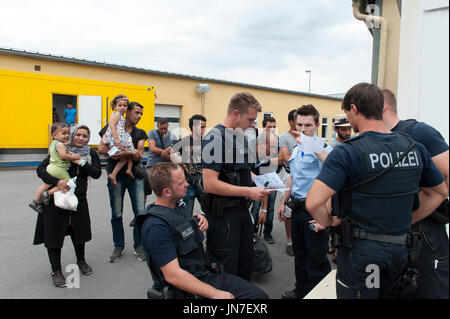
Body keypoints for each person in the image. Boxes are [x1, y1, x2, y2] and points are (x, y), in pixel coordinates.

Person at [305, 83, 447, 299]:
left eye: (347, 114)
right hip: (399, 251)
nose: (348, 121)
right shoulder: (414, 148)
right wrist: (407, 221)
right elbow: (439, 192)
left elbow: (313, 202)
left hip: (363, 255)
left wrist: (329, 221)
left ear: (354, 109)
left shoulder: (347, 152)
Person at [136, 162, 269, 299]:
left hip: (205, 274)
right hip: (187, 290)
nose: (187, 184)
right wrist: (215, 293)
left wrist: (199, 219)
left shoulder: (178, 208)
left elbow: (182, 233)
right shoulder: (155, 226)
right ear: (167, 192)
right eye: (182, 183)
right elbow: (173, 275)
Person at [381, 88, 449, 299]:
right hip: (391, 238)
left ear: (381, 106)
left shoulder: (418, 132)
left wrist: (412, 215)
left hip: (423, 233)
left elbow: (447, 177)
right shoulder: (376, 140)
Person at [202, 92, 270, 281]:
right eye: (250, 120)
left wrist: (260, 181)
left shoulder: (239, 138)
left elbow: (241, 171)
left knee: (245, 265)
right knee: (226, 271)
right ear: (236, 113)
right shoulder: (215, 139)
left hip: (241, 213)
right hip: (224, 218)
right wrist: (248, 191)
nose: (252, 125)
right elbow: (210, 183)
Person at [33, 124, 102, 287]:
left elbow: (97, 173)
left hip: (78, 199)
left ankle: (81, 261)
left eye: (84, 136)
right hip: (56, 200)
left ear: (88, 139)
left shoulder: (90, 153)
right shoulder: (60, 148)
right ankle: (55, 270)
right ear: (71, 135)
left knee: (80, 232)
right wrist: (57, 182)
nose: (80, 138)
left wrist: (80, 161)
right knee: (54, 235)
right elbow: (40, 170)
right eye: (77, 134)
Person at [277, 104, 332, 299]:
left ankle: (319, 294)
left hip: (315, 211)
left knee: (316, 258)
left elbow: (334, 178)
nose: (303, 129)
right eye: (299, 124)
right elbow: (293, 176)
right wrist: (283, 201)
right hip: (298, 208)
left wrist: (324, 218)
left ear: (317, 125)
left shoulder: (323, 148)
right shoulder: (297, 148)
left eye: (308, 125)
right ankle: (301, 290)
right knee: (300, 256)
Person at [98, 101, 148, 263]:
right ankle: (118, 246)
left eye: (141, 113)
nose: (139, 116)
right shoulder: (111, 127)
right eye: (136, 112)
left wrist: (128, 153)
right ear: (127, 112)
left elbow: (139, 154)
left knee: (140, 213)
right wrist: (117, 153)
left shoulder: (141, 133)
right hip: (116, 176)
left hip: (136, 177)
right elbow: (101, 149)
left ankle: (138, 246)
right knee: (116, 213)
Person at [29, 122, 82, 213]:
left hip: (51, 167)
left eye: (68, 134)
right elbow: (63, 156)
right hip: (59, 168)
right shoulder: (60, 144)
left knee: (47, 184)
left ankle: (35, 200)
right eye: (64, 133)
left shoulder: (54, 144)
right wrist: (75, 157)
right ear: (54, 135)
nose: (67, 136)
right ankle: (47, 194)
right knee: (68, 183)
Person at [166, 114, 207, 215]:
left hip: (204, 183)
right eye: (202, 127)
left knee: (209, 213)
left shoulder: (207, 142)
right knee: (186, 215)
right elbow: (166, 154)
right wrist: (179, 163)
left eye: (205, 127)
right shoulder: (183, 142)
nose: (204, 129)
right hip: (188, 184)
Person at [252, 119, 280, 244]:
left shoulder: (275, 143)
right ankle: (253, 231)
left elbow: (277, 162)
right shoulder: (254, 144)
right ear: (263, 128)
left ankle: (267, 232)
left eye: (274, 127)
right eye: (269, 127)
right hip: (255, 181)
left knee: (270, 207)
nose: (272, 129)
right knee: (255, 207)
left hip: (270, 178)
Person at [101, 95, 135, 187]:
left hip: (121, 137)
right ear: (115, 107)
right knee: (123, 156)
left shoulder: (121, 116)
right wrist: (116, 139)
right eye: (120, 105)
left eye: (125, 105)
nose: (122, 107)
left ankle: (128, 169)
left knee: (129, 152)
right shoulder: (116, 115)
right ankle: (114, 174)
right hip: (116, 138)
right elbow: (112, 126)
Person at [278, 109, 298, 256]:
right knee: (288, 212)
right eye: (299, 121)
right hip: (290, 175)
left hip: (306, 177)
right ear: (291, 122)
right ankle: (290, 240)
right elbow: (286, 157)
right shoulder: (284, 137)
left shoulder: (308, 136)